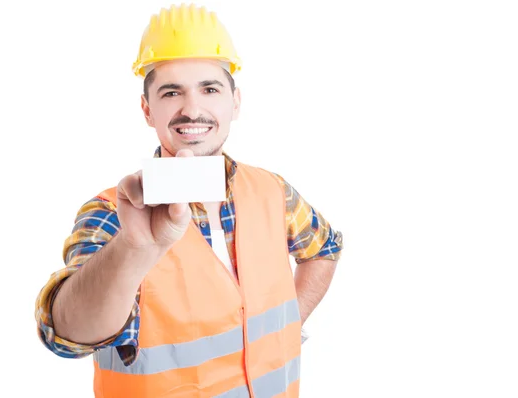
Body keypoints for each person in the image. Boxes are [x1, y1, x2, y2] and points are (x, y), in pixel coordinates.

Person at [35, 3, 343, 397]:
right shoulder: (114, 213)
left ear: (235, 103)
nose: (192, 109)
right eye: (171, 92)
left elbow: (325, 248)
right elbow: (67, 335)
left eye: (210, 89)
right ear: (148, 109)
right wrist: (134, 248)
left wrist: (280, 332)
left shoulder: (272, 190)